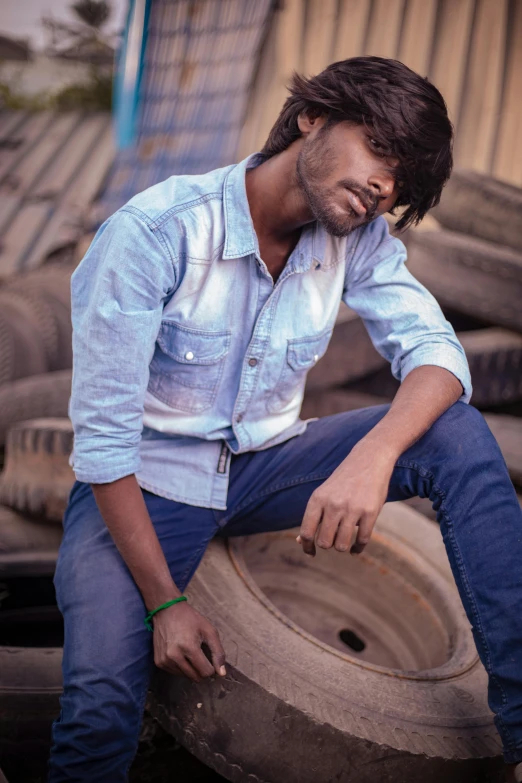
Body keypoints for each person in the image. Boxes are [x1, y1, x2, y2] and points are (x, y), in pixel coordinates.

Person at [48, 56, 522, 782]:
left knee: (455, 432)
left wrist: (373, 457)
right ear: (312, 117)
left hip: (261, 466)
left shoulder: (357, 240)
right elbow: (105, 447)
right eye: (381, 151)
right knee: (100, 709)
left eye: (401, 185)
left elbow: (438, 355)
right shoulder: (155, 234)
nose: (384, 187)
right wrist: (166, 601)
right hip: (147, 482)